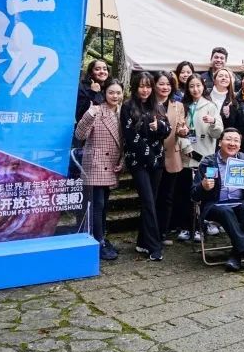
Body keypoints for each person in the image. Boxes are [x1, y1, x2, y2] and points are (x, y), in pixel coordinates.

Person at [192, 128, 244, 271]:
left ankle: (236, 256)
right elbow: (194, 194)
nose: (232, 143)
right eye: (228, 139)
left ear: (240, 145)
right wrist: (203, 187)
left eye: (236, 140)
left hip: (239, 202)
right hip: (214, 205)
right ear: (220, 143)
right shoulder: (208, 162)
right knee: (225, 210)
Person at [121, 72, 171, 262]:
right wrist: (150, 156)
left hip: (157, 161)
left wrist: (157, 128)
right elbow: (130, 137)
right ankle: (154, 246)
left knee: (152, 201)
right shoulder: (127, 106)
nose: (145, 90)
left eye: (148, 86)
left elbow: (167, 130)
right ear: (135, 87)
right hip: (138, 162)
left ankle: (142, 241)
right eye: (142, 86)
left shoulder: (157, 105)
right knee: (148, 201)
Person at [73, 79, 124, 261]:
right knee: (97, 205)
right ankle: (98, 241)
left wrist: (123, 160)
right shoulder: (97, 109)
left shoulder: (121, 112)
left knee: (103, 206)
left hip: (111, 164)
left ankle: (101, 237)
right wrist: (89, 114)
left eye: (118, 93)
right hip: (95, 163)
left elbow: (125, 141)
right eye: (111, 92)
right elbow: (80, 135)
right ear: (105, 93)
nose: (115, 96)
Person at [181, 74, 223, 241]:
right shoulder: (183, 106)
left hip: (208, 158)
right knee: (188, 194)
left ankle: (202, 225)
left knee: (207, 192)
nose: (195, 89)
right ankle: (187, 226)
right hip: (188, 157)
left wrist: (213, 122)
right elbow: (180, 132)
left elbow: (218, 132)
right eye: (192, 86)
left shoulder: (211, 106)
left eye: (198, 85)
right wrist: (190, 151)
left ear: (203, 86)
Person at [153, 71, 191, 248]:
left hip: (172, 154)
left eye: (168, 84)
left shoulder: (178, 105)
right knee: (152, 196)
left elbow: (181, 126)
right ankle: (150, 232)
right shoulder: (148, 103)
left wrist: (184, 131)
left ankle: (162, 231)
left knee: (167, 197)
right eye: (161, 83)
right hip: (151, 156)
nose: (165, 87)